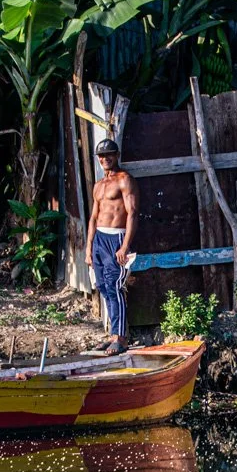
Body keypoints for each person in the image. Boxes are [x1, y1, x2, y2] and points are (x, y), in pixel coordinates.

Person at [85, 139, 139, 356]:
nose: (104, 158)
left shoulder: (125, 180)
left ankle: (121, 338)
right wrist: (89, 247)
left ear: (116, 155)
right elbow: (93, 217)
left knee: (115, 287)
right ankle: (112, 335)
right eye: (101, 156)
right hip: (99, 239)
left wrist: (125, 246)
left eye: (109, 154)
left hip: (115, 239)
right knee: (104, 288)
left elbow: (133, 213)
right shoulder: (99, 185)